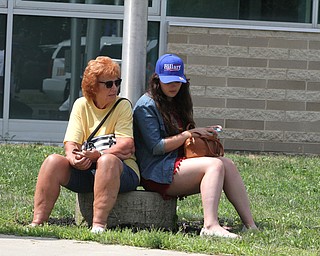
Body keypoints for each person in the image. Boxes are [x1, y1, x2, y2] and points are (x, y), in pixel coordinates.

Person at [133, 53, 258, 238]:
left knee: (227, 164)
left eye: (177, 81)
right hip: (156, 172)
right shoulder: (146, 106)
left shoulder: (176, 101)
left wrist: (200, 132)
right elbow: (156, 147)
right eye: (168, 81)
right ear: (157, 79)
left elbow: (185, 135)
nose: (173, 86)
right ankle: (210, 226)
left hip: (176, 163)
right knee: (214, 165)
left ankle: (250, 225)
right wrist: (187, 135)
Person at [31, 56, 140, 233]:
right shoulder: (81, 105)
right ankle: (37, 222)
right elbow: (70, 144)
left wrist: (99, 155)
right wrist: (74, 159)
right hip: (88, 170)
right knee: (53, 161)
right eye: (109, 84)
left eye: (117, 82)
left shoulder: (122, 105)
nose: (115, 88)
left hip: (122, 172)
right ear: (93, 86)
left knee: (107, 161)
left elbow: (127, 146)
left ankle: (98, 225)